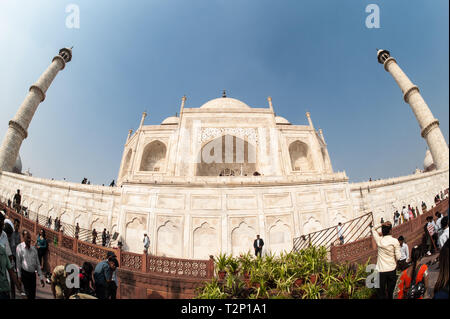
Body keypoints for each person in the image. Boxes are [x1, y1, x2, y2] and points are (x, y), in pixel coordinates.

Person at [370, 221, 401, 299]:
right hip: (391, 270)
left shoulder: (379, 240)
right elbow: (398, 257)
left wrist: (381, 224)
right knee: (392, 293)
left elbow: (373, 229)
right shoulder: (395, 241)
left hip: (380, 271)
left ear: (382, 232)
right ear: (390, 230)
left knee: (381, 294)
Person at [16, 230, 45, 299]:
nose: (29, 240)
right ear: (23, 238)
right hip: (24, 275)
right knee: (26, 295)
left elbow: (38, 264)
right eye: (27, 238)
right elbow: (18, 263)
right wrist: (19, 277)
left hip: (32, 276)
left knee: (32, 295)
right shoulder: (19, 248)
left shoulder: (34, 249)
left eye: (30, 238)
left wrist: (41, 277)